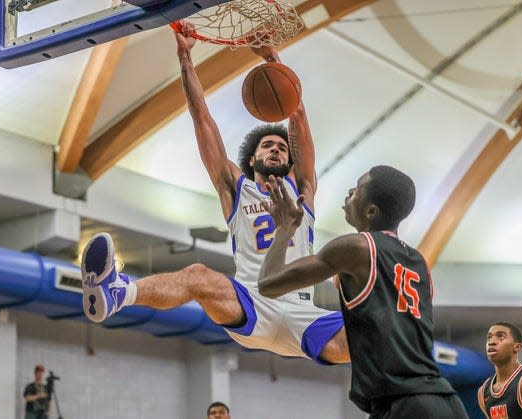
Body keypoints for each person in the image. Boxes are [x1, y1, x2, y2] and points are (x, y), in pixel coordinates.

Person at [79, 22, 349, 365]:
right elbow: (201, 118)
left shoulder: (303, 189)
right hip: (251, 300)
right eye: (268, 145)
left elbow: (297, 115)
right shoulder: (235, 188)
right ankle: (118, 293)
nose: (277, 149)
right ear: (252, 159)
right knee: (197, 276)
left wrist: (271, 58)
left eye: (282, 147)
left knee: (365, 335)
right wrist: (185, 58)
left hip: (301, 310)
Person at [257, 170, 468, 418]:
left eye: (356, 189)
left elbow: (268, 283)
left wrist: (284, 229)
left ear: (371, 211)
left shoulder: (355, 248)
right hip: (445, 402)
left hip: (405, 405)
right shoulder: (418, 261)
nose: (349, 192)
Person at [477, 322, 522, 418]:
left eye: (500, 336)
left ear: (517, 347)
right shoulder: (483, 392)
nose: (491, 342)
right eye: (489, 338)